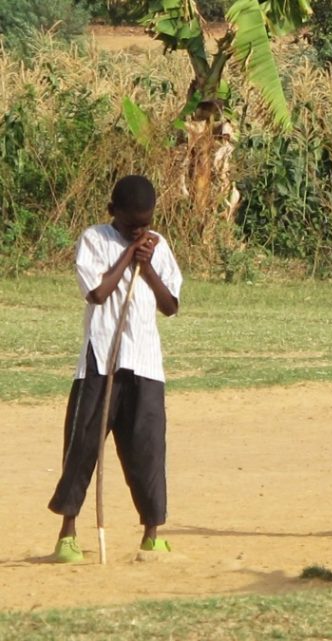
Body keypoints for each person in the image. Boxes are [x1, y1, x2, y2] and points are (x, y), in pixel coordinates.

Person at [48, 174, 182, 563]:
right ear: (112, 213)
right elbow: (97, 293)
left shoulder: (160, 247)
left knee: (147, 448)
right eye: (131, 224)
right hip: (100, 361)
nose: (140, 230)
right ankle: (67, 534)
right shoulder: (94, 239)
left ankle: (152, 536)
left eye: (146, 223)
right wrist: (127, 257)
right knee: (83, 446)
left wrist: (149, 265)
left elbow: (170, 305)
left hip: (145, 363)